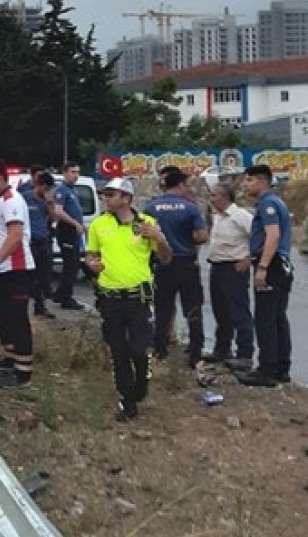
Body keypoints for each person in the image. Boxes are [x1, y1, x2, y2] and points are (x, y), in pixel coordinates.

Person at [85, 178, 172, 422]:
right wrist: (92, 264)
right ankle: (128, 402)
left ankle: (143, 377)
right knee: (118, 351)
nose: (106, 198)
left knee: (138, 350)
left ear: (126, 199)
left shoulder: (146, 224)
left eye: (111, 194)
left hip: (138, 299)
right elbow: (91, 255)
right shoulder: (99, 224)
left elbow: (166, 258)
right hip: (110, 297)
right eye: (105, 194)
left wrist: (160, 238)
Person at [0, 158, 36, 388]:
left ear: (0, 178)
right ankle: (10, 357)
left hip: (16, 270)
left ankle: (23, 372)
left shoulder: (12, 201)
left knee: (16, 319)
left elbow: (15, 235)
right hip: (1, 271)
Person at [144, 167, 210, 366]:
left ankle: (160, 349)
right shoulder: (190, 207)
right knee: (193, 309)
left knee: (163, 309)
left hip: (163, 263)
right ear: (181, 185)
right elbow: (202, 236)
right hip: (186, 263)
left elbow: (143, 235)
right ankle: (195, 353)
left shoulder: (151, 207)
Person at [238, 164, 294, 386]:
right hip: (280, 265)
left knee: (265, 319)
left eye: (249, 180)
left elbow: (273, 237)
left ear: (262, 181)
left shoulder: (268, 204)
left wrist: (262, 268)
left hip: (271, 265)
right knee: (278, 318)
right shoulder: (276, 202)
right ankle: (281, 367)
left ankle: (267, 370)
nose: (245, 184)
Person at [205, 182, 255, 371]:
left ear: (225, 197)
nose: (211, 199)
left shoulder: (240, 216)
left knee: (239, 311)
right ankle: (222, 349)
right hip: (216, 267)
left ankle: (245, 354)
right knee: (221, 311)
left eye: (214, 196)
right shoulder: (217, 217)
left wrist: (248, 260)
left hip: (233, 268)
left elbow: (259, 238)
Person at [51, 161, 87, 311]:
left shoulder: (73, 190)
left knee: (72, 265)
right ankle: (67, 299)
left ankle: (60, 294)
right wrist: (75, 224)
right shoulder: (62, 190)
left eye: (77, 172)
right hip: (67, 232)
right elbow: (58, 211)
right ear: (65, 173)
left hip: (74, 234)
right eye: (73, 172)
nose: (76, 175)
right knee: (71, 266)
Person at [25, 172, 56, 319]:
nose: (47, 191)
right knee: (30, 277)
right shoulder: (26, 197)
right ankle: (27, 306)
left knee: (44, 276)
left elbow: (54, 217)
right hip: (30, 243)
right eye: (45, 188)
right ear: (39, 185)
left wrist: (49, 202)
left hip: (43, 241)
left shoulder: (47, 200)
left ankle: (40, 307)